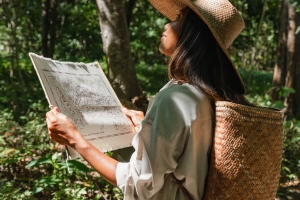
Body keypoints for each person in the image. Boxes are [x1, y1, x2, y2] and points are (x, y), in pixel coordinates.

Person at [46, 0, 250, 199]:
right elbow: (185, 157)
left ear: (194, 35)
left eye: (179, 19)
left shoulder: (175, 98)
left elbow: (135, 185)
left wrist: (74, 139)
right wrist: (145, 130)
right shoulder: (209, 95)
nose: (167, 24)